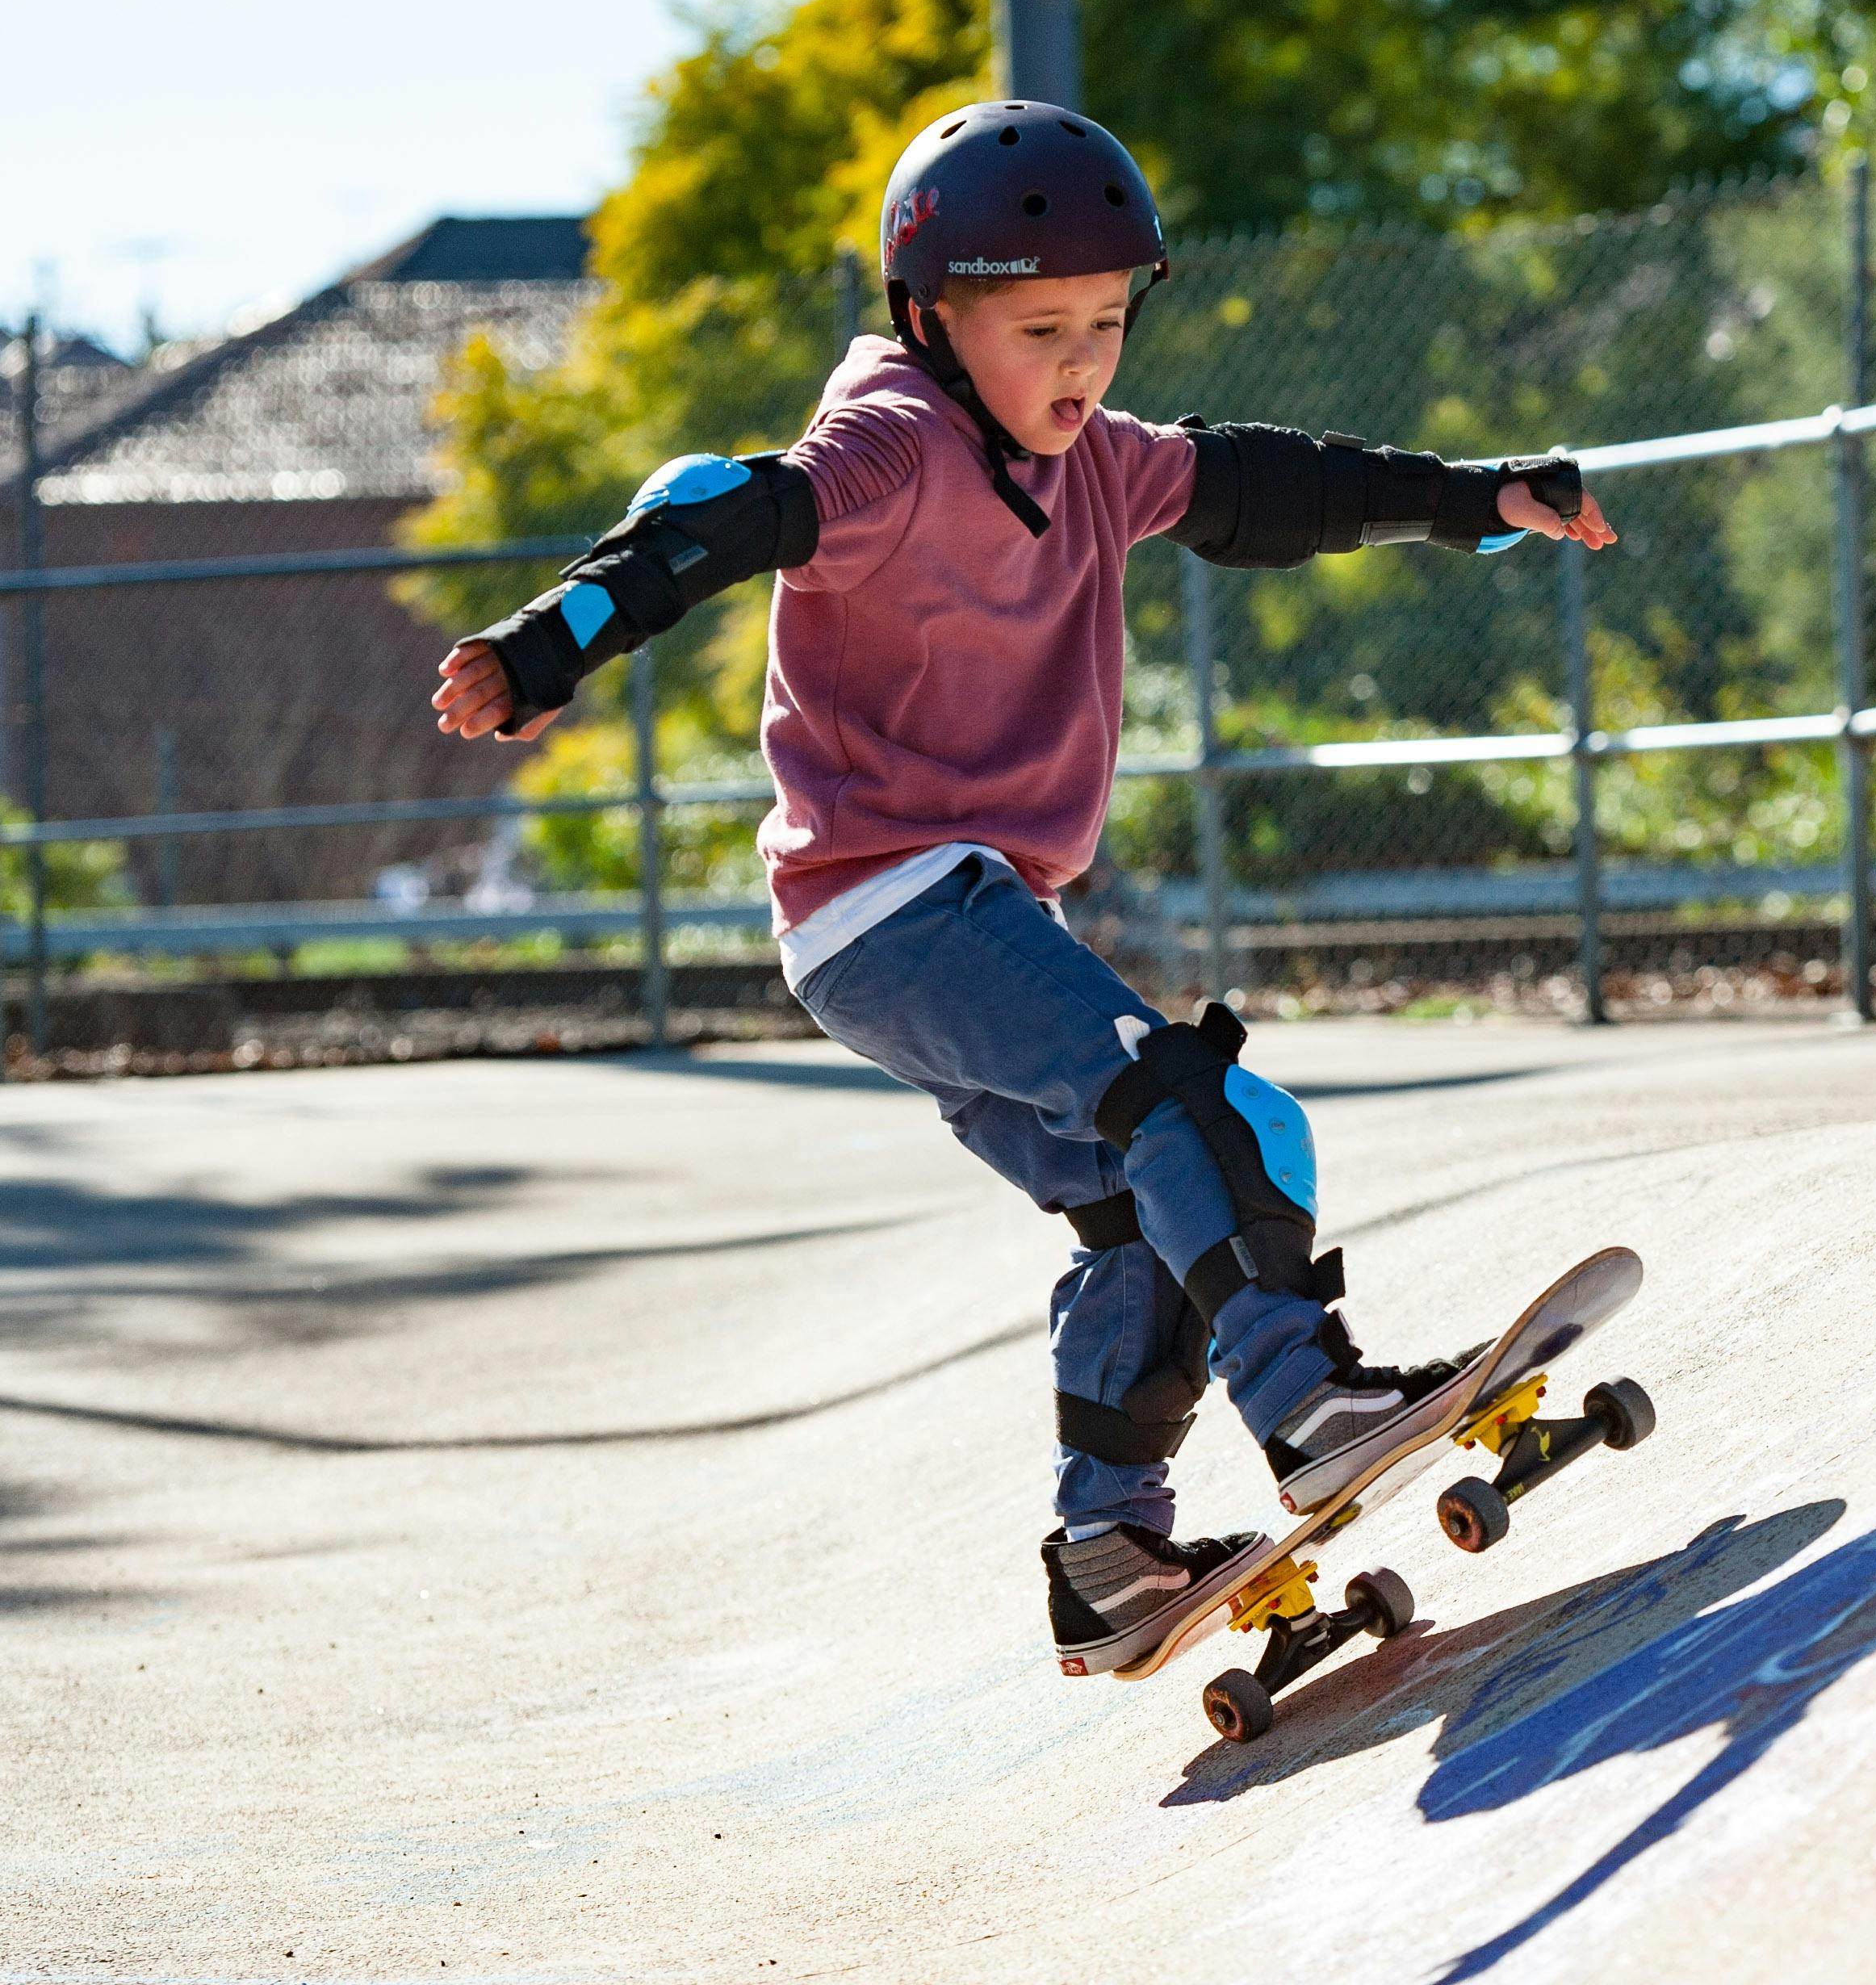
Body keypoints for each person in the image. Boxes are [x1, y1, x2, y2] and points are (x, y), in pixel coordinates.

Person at [426, 102, 1616, 1673]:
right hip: (893, 904)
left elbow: (1267, 491)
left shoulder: (1097, 466)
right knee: (1189, 1109)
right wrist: (549, 642)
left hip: (938, 922)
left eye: (1108, 325)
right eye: (1040, 328)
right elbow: (716, 517)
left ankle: (1109, 1546)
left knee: (1144, 1215)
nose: (1082, 365)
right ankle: (1309, 1400)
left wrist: (1477, 499)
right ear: (934, 319)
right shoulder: (893, 446)